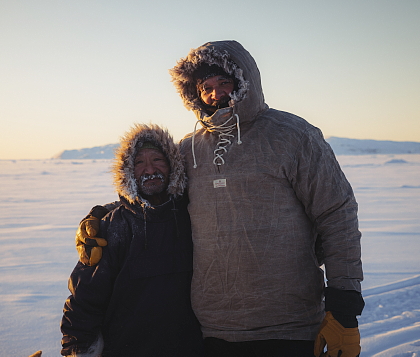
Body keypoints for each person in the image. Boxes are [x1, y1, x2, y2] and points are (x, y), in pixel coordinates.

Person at [76, 40, 364, 357]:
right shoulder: (188, 150)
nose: (216, 94)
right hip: (212, 329)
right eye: (206, 87)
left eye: (224, 82)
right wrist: (100, 219)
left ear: (245, 81)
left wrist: (343, 306)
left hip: (289, 325)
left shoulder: (293, 136)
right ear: (194, 94)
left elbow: (337, 215)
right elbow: (156, 199)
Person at [60, 123, 204, 357]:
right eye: (139, 163)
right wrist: (78, 348)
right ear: (128, 172)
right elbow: (85, 297)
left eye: (158, 160)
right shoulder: (114, 226)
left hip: (189, 347)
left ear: (174, 166)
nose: (149, 170)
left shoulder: (193, 217)